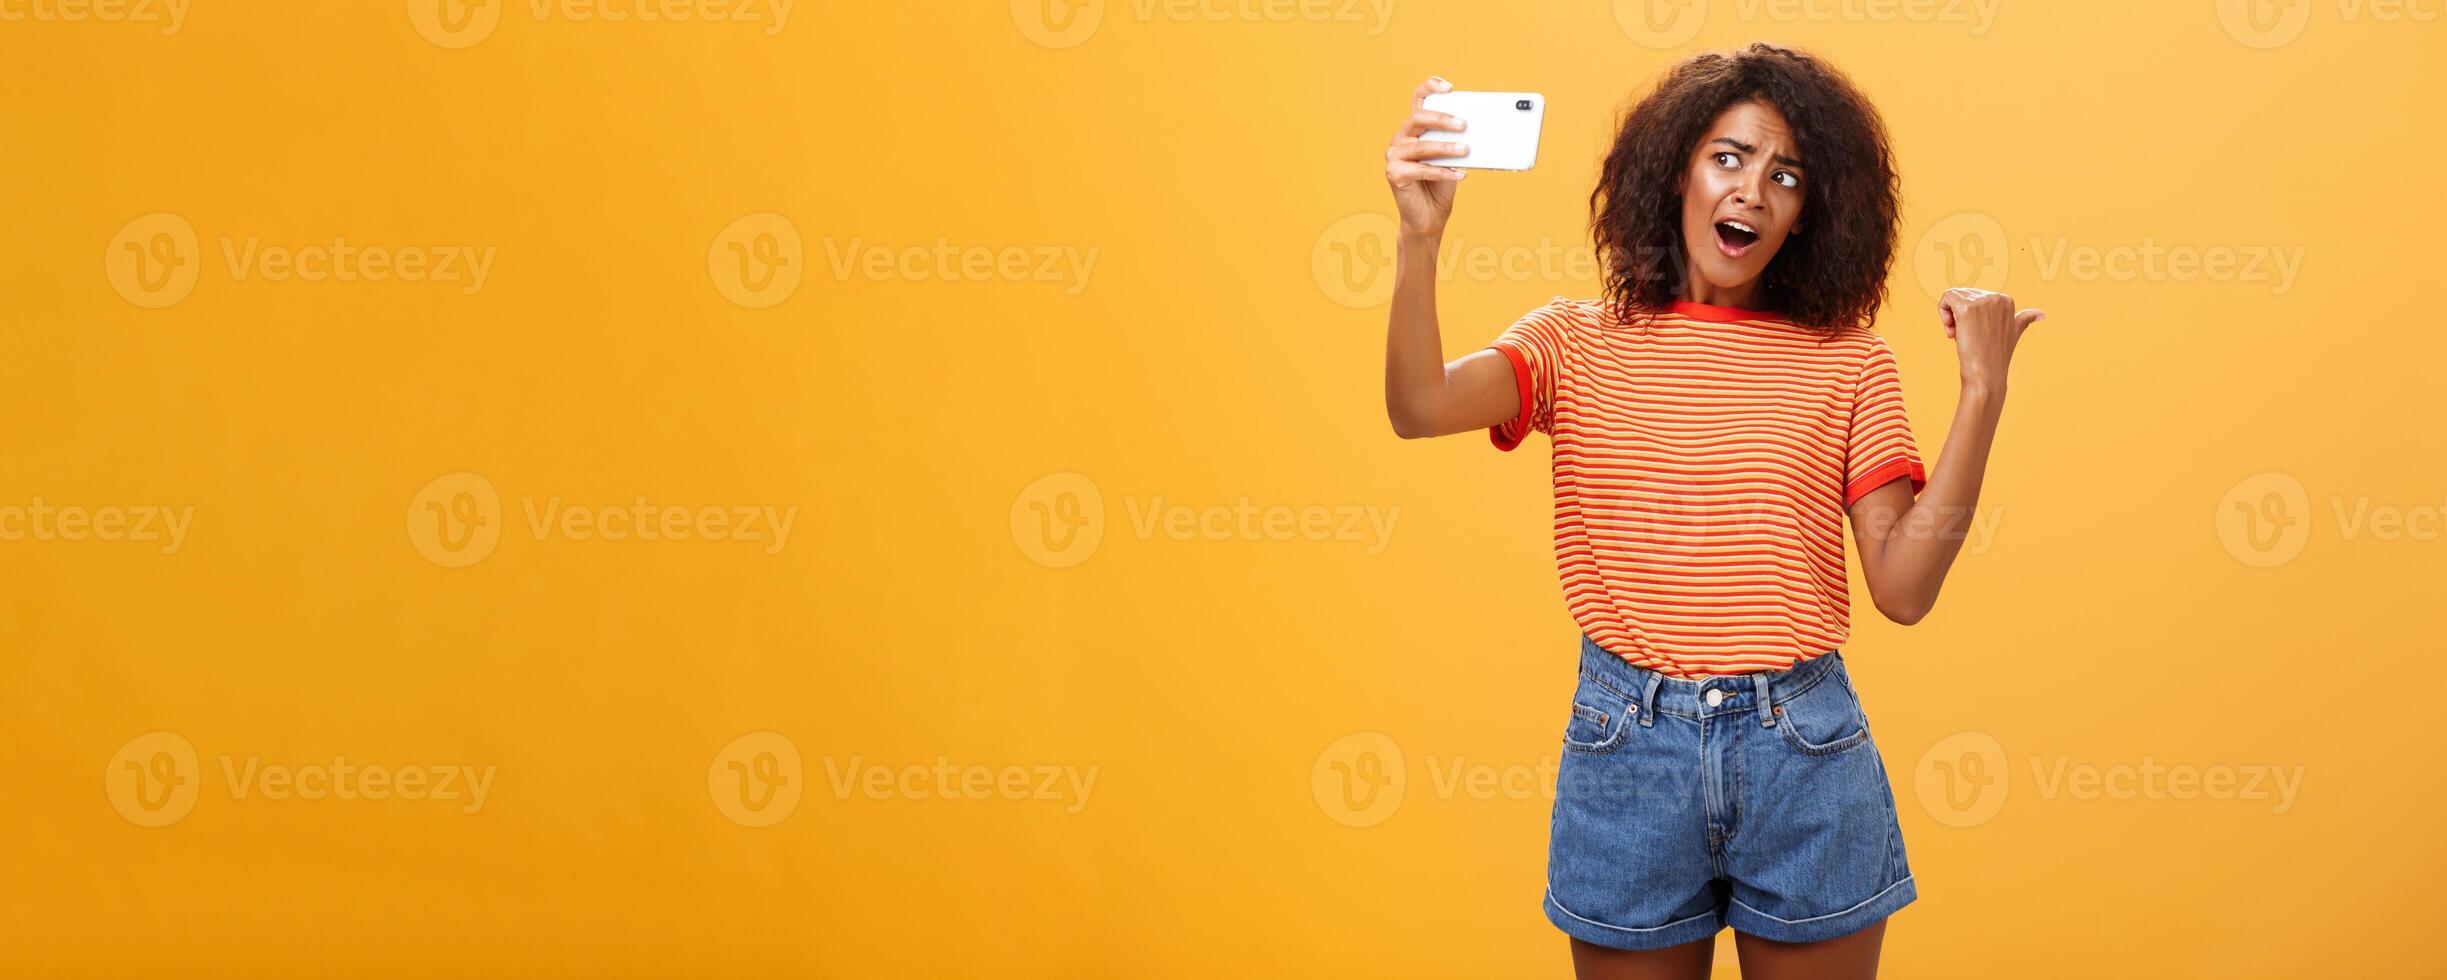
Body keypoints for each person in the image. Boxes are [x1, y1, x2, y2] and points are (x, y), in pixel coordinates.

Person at [1379, 43, 2043, 980]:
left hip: (1803, 753)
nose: (1752, 193)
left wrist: (1982, 391)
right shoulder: (1574, 340)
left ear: (1812, 214)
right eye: (1727, 158)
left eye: (1786, 176)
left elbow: (1902, 589)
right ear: (1674, 170)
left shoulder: (1847, 362)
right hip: (1626, 751)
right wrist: (1419, 237)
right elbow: (1418, 408)